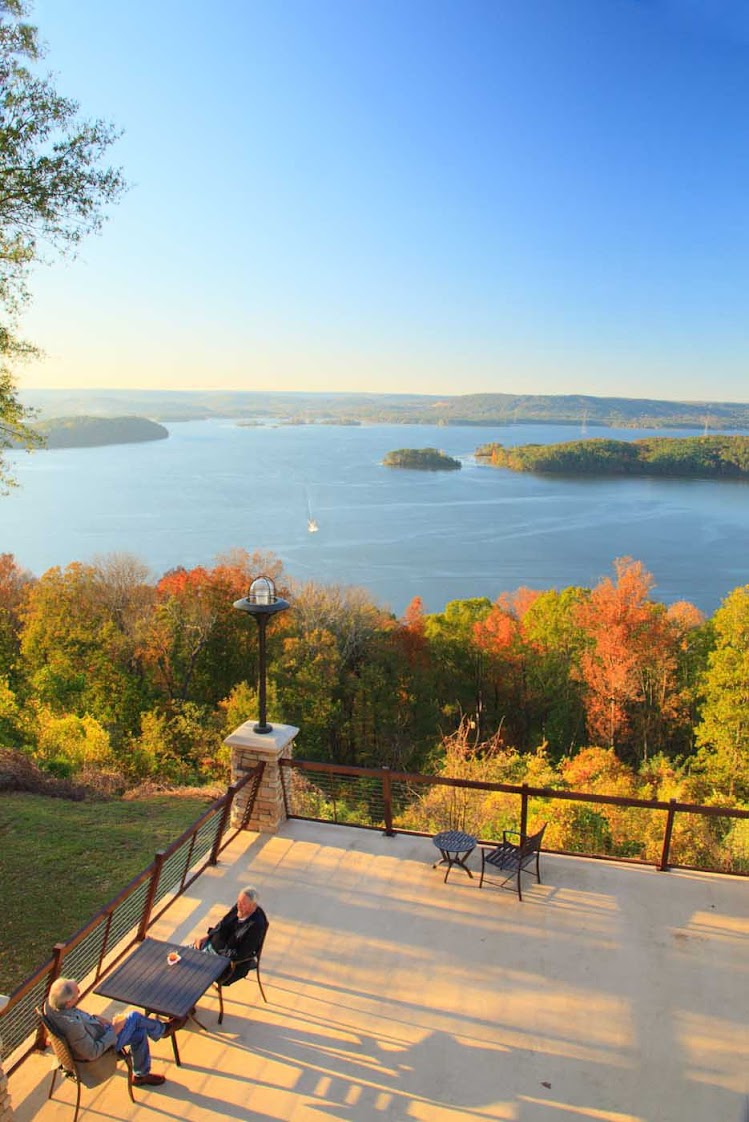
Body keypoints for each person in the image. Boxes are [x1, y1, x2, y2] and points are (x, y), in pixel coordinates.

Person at [44, 977, 185, 1087]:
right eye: (77, 994)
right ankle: (163, 1030)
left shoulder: (52, 1006)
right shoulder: (71, 1026)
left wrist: (94, 1017)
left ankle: (141, 1075)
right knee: (134, 1017)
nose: (80, 994)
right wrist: (114, 1029)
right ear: (68, 1002)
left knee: (139, 1032)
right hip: (101, 1053)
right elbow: (93, 1052)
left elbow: (75, 1013)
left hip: (97, 1033)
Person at [192, 886, 268, 985]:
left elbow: (241, 953)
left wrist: (218, 954)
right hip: (209, 947)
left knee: (192, 975)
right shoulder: (238, 908)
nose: (239, 906)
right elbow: (222, 924)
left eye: (243, 904)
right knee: (180, 958)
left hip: (223, 963)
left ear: (253, 906)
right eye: (238, 901)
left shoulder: (256, 925)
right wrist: (208, 936)